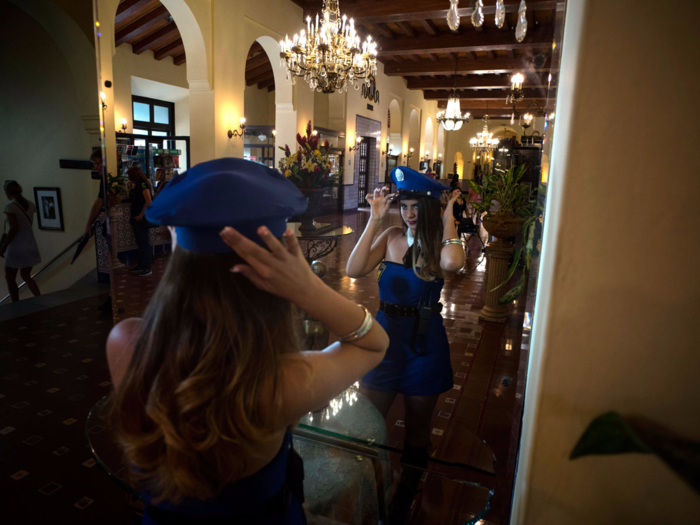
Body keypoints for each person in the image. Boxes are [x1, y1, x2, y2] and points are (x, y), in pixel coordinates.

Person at [106, 158, 389, 524]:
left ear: (179, 258)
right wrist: (311, 290)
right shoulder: (280, 382)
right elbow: (375, 344)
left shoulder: (125, 343)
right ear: (278, 278)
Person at [346, 167, 465, 463]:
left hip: (423, 346)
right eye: (404, 206)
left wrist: (448, 216)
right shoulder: (391, 236)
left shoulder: (440, 243)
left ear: (429, 208)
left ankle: (407, 496)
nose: (409, 214)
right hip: (384, 341)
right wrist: (374, 221)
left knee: (417, 432)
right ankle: (375, 492)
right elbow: (353, 269)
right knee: (368, 425)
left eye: (416, 207)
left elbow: (452, 262)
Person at [1, 180, 41, 302]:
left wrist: (3, 246)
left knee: (10, 277)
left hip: (16, 247)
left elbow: (13, 228)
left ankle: (15, 304)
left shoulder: (10, 206)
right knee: (26, 276)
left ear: (7, 192)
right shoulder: (30, 204)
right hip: (30, 244)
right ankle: (39, 298)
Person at [126, 167, 153, 276]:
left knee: (144, 243)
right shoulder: (138, 185)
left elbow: (148, 201)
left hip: (140, 218)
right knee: (140, 243)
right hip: (136, 218)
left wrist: (141, 215)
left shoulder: (142, 185)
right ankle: (141, 265)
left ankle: (147, 267)